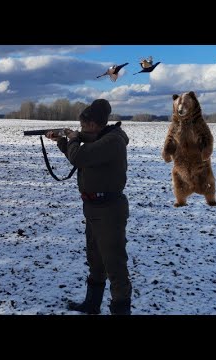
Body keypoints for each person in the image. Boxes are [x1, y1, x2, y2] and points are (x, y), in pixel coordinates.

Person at [46, 99, 132, 315]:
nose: (81, 129)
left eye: (84, 126)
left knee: (115, 264)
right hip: (94, 207)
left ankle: (121, 311)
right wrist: (62, 141)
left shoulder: (112, 141)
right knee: (95, 258)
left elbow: (80, 156)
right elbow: (80, 158)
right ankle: (92, 305)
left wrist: (74, 139)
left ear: (94, 125)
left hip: (108, 209)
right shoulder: (101, 139)